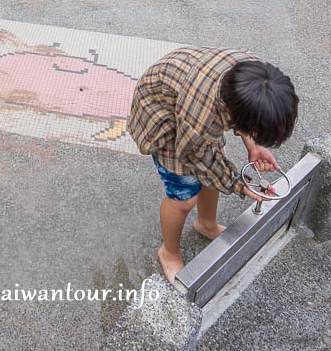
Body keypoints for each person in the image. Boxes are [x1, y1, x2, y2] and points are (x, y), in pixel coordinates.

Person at [127, 48, 298, 283]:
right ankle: (168, 253)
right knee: (184, 195)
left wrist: (253, 146)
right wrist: (239, 185)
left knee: (216, 161)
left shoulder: (256, 78)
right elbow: (195, 156)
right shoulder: (201, 120)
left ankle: (206, 224)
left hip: (187, 90)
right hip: (161, 112)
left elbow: (220, 149)